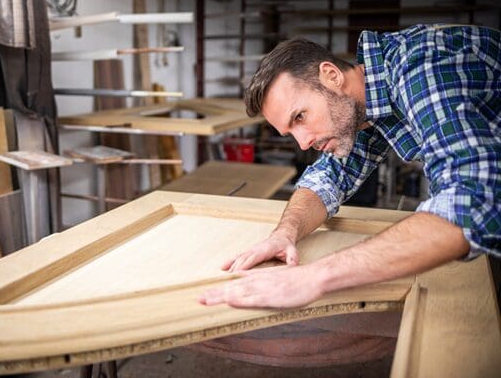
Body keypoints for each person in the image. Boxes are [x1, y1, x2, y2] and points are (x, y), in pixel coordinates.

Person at [199, 24, 501, 309]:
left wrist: (315, 277)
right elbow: (329, 177)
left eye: (300, 117)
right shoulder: (366, 100)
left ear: (331, 76)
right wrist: (285, 232)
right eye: (291, 132)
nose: (303, 143)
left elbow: (475, 201)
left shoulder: (419, 69)